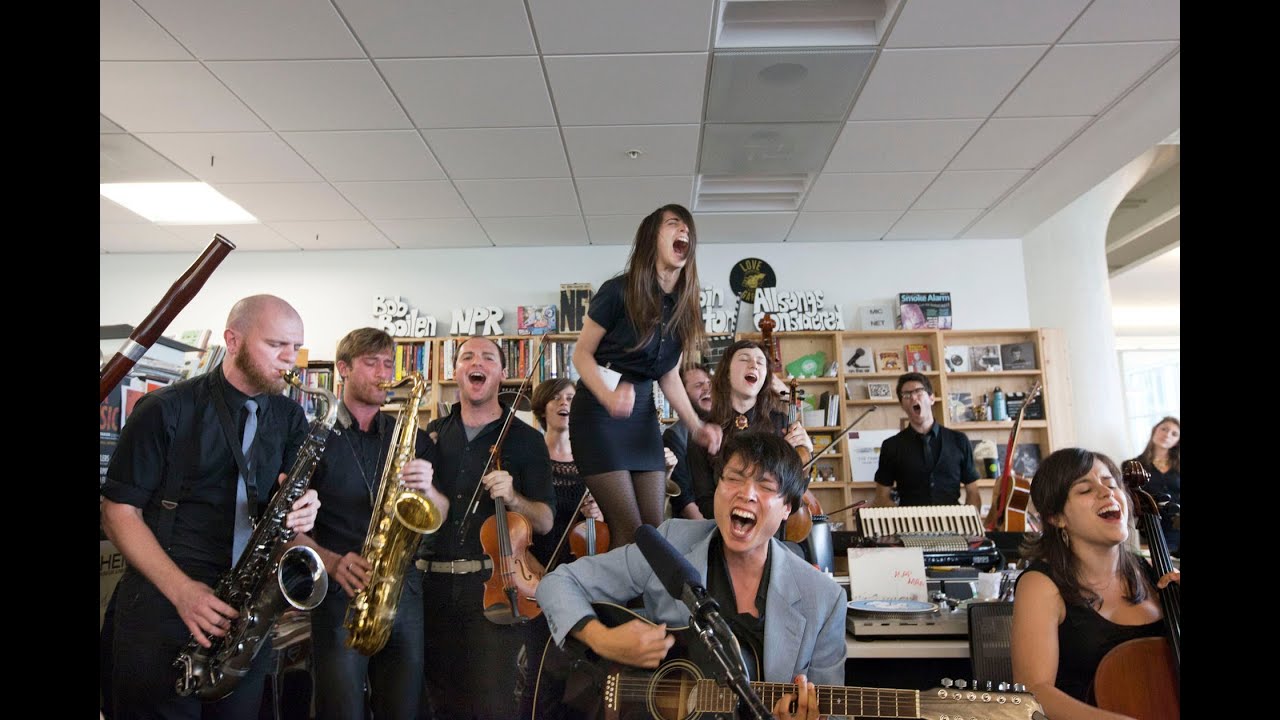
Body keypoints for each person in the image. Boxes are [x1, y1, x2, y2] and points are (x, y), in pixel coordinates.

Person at [100, 294, 321, 720]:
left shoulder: (291, 416)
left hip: (242, 615)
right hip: (164, 606)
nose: (289, 360)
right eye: (276, 345)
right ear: (232, 340)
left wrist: (304, 510)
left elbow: (286, 508)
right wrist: (183, 592)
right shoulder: (165, 409)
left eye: (295, 348)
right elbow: (117, 512)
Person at [536, 431, 845, 720]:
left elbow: (833, 709)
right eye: (734, 479)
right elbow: (557, 583)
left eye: (765, 486)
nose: (746, 494)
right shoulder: (672, 543)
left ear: (788, 508)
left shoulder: (824, 599)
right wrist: (602, 640)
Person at [288, 328, 447, 720]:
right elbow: (286, 527)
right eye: (371, 362)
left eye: (388, 364)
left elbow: (439, 512)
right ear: (343, 368)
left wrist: (428, 490)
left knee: (403, 708)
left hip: (400, 589)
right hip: (341, 588)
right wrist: (330, 561)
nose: (383, 373)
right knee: (340, 709)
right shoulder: (313, 437)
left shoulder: (406, 436)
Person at [416, 335, 556, 720]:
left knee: (492, 706)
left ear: (502, 373)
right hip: (431, 590)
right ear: (455, 371)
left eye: (488, 358)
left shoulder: (527, 440)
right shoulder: (432, 435)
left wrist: (513, 498)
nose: (476, 363)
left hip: (493, 593)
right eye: (466, 357)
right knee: (435, 705)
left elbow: (544, 521)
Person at [570, 203, 722, 549]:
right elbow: (581, 355)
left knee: (654, 529)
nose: (684, 231)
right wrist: (608, 397)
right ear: (652, 237)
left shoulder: (684, 306)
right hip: (597, 413)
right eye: (673, 224)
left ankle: (648, 602)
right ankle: (624, 604)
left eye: (688, 228)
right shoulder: (617, 291)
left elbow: (668, 374)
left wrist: (697, 427)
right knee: (629, 529)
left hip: (641, 418)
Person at [1011, 448, 1181, 719]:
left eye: (1111, 484)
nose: (1107, 492)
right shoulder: (1041, 585)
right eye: (1085, 490)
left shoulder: (1153, 574)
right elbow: (1033, 690)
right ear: (1057, 518)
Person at [689, 340, 812, 519]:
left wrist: (807, 453)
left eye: (760, 362)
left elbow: (794, 494)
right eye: (744, 359)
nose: (754, 364)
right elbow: (704, 498)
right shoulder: (705, 428)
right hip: (722, 525)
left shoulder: (782, 424)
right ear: (727, 373)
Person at [873, 372, 980, 508]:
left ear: (931, 398)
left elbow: (973, 491)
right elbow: (881, 497)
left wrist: (968, 521)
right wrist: (903, 520)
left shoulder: (959, 440)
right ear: (902, 405)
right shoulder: (891, 446)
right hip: (910, 525)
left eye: (918, 392)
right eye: (906, 395)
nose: (912, 397)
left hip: (953, 524)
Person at [662, 364, 714, 521]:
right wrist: (707, 533)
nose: (707, 389)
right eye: (698, 385)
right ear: (681, 396)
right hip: (698, 526)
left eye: (709, 383)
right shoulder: (674, 435)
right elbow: (683, 500)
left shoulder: (727, 424)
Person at [1126, 416, 1180, 556]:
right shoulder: (1133, 466)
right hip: (1152, 528)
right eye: (1164, 429)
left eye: (1174, 434)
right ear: (1155, 430)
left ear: (1177, 442)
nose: (1167, 435)